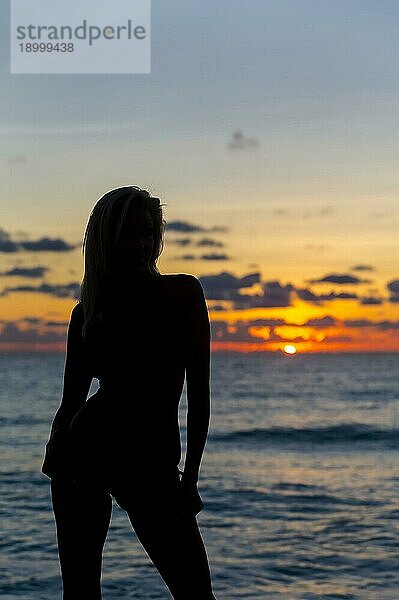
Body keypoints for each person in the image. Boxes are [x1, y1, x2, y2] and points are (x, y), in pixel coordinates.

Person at [41, 185, 216, 599]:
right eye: (128, 234)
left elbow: (200, 398)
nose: (140, 244)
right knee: (81, 595)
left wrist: (189, 480)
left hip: (152, 468)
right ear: (106, 241)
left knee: (196, 594)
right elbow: (72, 402)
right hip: (81, 461)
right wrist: (57, 461)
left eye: (147, 233)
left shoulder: (182, 294)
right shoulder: (88, 313)